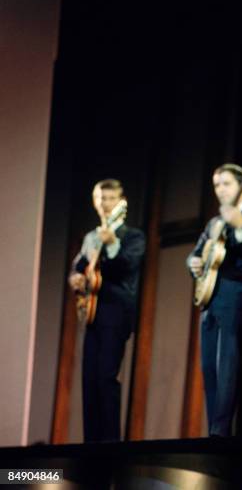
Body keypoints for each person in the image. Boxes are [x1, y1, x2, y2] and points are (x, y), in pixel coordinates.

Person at [187, 164, 242, 437]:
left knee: (227, 368)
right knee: (209, 369)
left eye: (226, 184)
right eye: (217, 185)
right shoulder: (214, 223)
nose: (221, 190)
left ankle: (221, 433)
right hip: (210, 300)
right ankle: (213, 427)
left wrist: (239, 227)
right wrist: (195, 263)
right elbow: (194, 254)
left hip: (237, 300)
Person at [68, 179, 145, 442]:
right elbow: (79, 267)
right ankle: (90, 446)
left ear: (121, 202)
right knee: (89, 381)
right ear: (95, 201)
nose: (105, 204)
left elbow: (126, 266)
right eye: (101, 198)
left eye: (110, 199)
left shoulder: (133, 236)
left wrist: (112, 244)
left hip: (116, 313)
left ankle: (110, 446)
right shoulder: (91, 237)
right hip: (91, 313)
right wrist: (76, 280)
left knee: (106, 377)